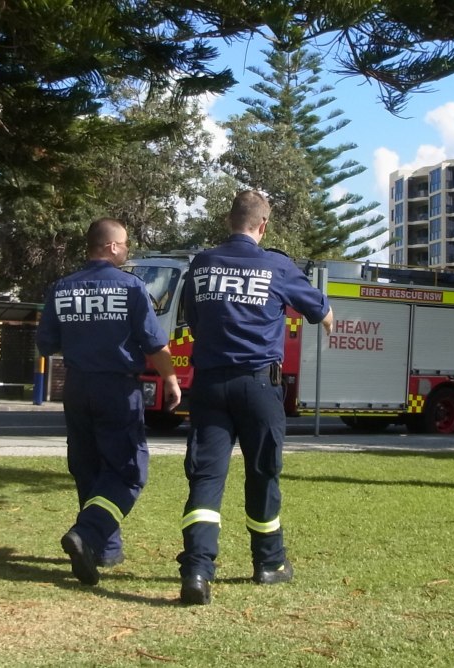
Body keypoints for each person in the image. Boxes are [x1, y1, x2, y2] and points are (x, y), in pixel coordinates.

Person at [176, 190, 334, 605]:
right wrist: (330, 321)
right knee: (263, 473)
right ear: (263, 226)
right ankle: (269, 564)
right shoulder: (277, 266)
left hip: (209, 384)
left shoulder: (202, 264)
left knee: (207, 476)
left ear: (229, 221)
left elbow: (193, 318)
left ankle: (196, 569)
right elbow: (321, 310)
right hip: (260, 384)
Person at [36, 217, 181, 586]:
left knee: (88, 467)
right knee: (129, 471)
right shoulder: (131, 287)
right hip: (117, 388)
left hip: (77, 387)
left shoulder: (61, 288)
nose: (128, 250)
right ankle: (88, 533)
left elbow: (46, 344)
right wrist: (170, 378)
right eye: (126, 244)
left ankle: (104, 548)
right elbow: (155, 344)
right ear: (112, 247)